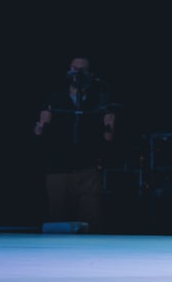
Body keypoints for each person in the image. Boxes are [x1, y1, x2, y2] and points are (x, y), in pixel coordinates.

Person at [32, 56, 116, 233]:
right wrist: (41, 126)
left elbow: (108, 139)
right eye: (75, 69)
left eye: (83, 70)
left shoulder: (98, 102)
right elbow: (40, 134)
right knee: (57, 220)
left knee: (92, 221)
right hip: (58, 168)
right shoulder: (55, 99)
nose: (78, 75)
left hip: (88, 170)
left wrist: (109, 127)